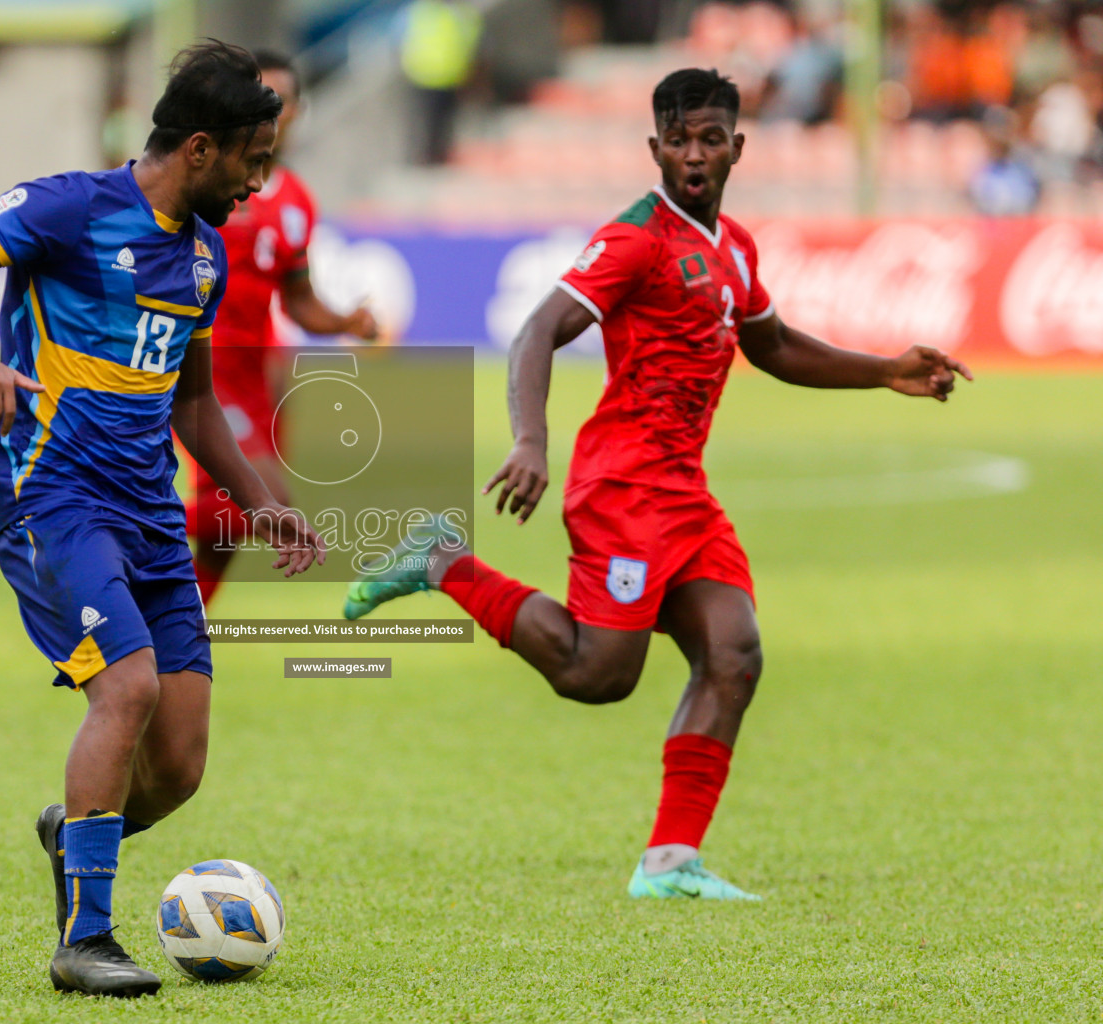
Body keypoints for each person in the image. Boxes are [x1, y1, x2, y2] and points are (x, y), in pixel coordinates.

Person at [344, 68, 971, 900]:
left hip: (682, 491)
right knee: (597, 676)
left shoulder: (735, 249)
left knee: (734, 651)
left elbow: (774, 344)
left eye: (711, 139)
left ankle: (671, 862)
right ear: (656, 148)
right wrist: (530, 439)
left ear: (737, 147)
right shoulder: (637, 237)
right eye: (678, 140)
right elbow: (539, 329)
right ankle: (442, 563)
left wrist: (886, 369)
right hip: (623, 489)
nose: (694, 155)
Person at [0, 42, 325, 997]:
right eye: (254, 160)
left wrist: (267, 507)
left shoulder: (204, 256)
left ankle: (74, 832)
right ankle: (84, 940)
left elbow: (195, 403)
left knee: (178, 766)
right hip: (51, 493)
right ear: (201, 148)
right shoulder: (68, 208)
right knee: (123, 691)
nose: (262, 183)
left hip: (149, 511)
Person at [187, 50, 379, 606]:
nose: (272, 110)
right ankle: (117, 527)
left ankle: (176, 635)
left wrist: (347, 320)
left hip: (251, 372)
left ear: (297, 110)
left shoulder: (295, 201)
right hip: (198, 364)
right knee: (259, 501)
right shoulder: (203, 183)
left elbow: (298, 302)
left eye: (282, 99)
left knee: (228, 531)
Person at [399, 0, 483, 165]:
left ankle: (436, 158)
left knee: (442, 123)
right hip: (423, 76)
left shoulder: (462, 14)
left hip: (448, 77)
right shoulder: (421, 10)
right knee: (423, 123)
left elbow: (475, 46)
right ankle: (422, 159)